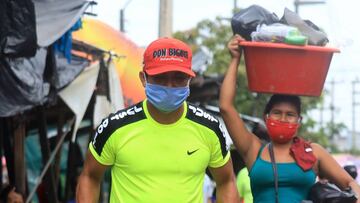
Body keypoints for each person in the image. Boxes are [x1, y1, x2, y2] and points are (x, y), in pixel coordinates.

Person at [76, 37, 239, 203]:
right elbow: (89, 177)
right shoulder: (115, 127)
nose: (169, 86)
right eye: (160, 77)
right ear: (143, 78)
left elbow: (226, 182)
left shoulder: (210, 128)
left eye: (179, 77)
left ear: (190, 80)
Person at [219, 34, 360, 203]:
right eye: (277, 113)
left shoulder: (313, 152)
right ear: (266, 117)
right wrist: (235, 59)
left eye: (290, 115)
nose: (283, 119)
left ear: (299, 121)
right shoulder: (253, 149)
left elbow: (350, 182)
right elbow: (226, 107)